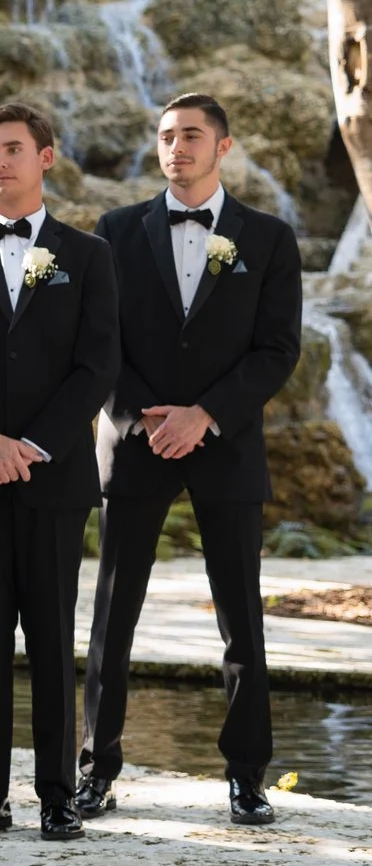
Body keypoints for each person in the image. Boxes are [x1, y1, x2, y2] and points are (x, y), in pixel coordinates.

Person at [82, 92, 302, 827]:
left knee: (242, 618)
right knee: (114, 615)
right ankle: (95, 768)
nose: (177, 146)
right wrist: (148, 417)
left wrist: (204, 415)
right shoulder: (114, 232)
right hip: (139, 443)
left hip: (226, 446)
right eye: (167, 135)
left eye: (192, 135)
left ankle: (247, 776)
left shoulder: (268, 239)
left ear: (224, 146)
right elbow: (98, 343)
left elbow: (276, 351)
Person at [0, 105, 120, 843]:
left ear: (46, 157)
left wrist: (30, 445)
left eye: (13, 149)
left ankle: (54, 793)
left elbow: (97, 364)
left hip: (52, 479)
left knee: (49, 639)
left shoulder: (88, 254)